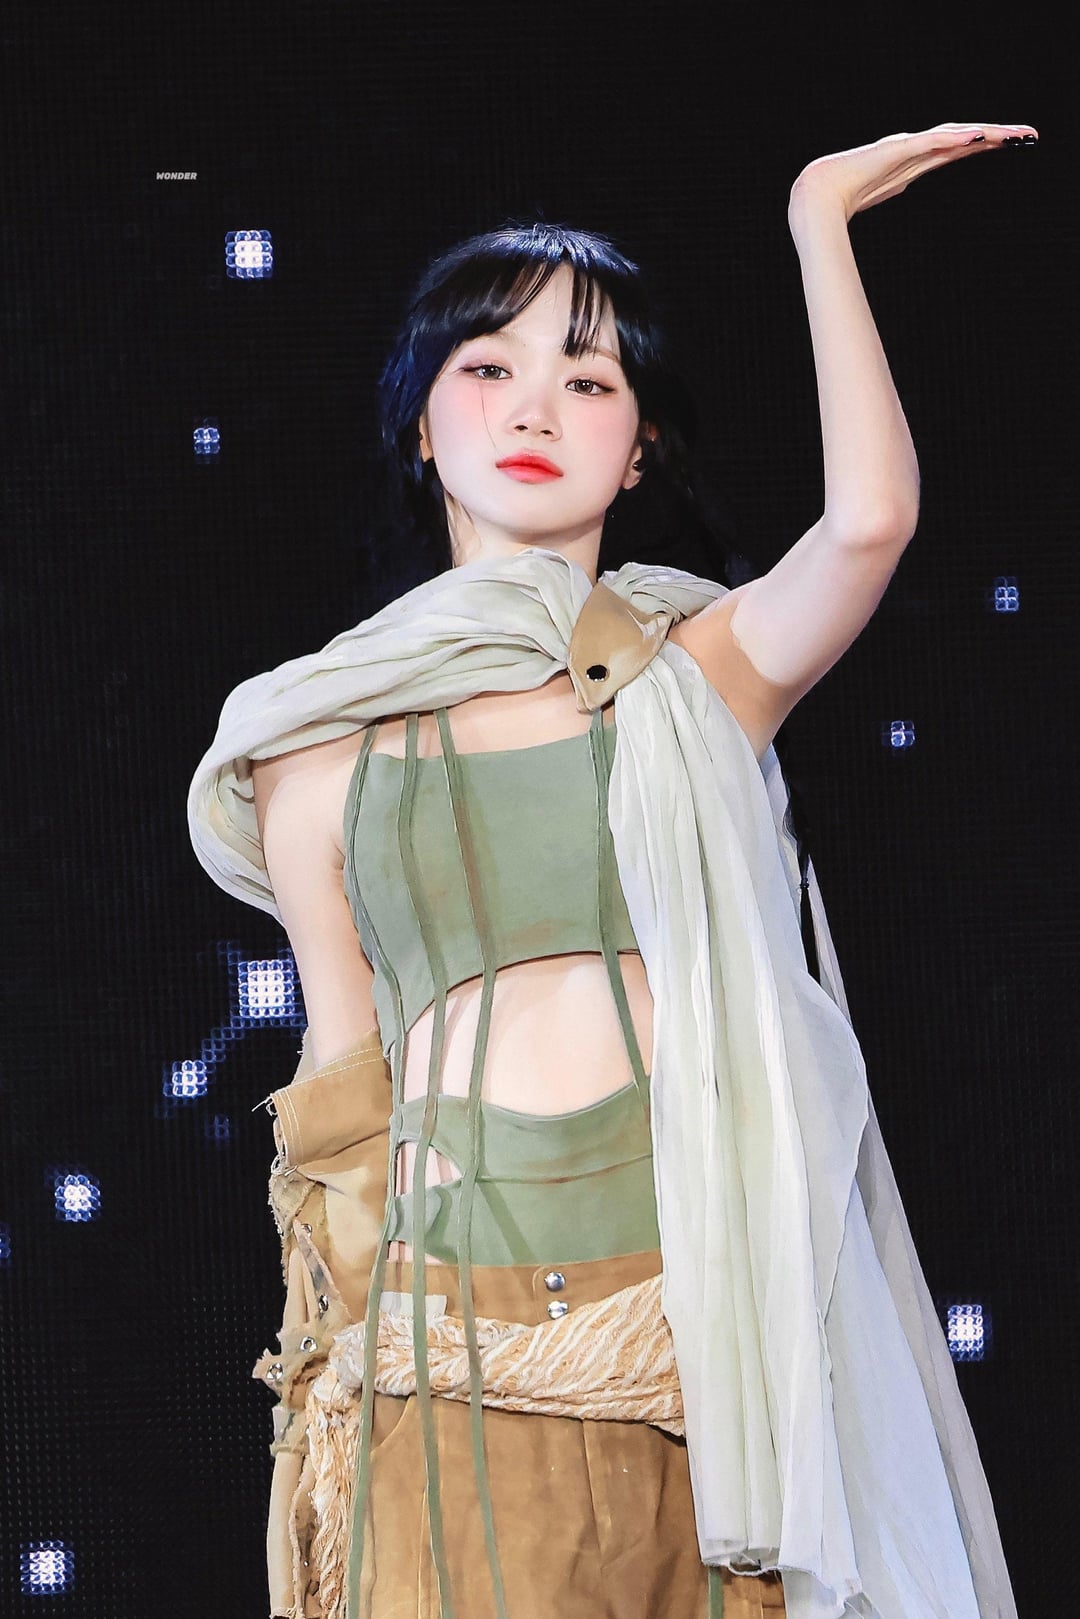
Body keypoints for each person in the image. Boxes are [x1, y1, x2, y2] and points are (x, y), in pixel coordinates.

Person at [187, 122, 1037, 1619]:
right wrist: (331, 1364)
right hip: (452, 1334)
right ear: (420, 422)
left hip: (703, 1322)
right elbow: (341, 1066)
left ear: (638, 448)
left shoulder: (691, 673)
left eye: (589, 380)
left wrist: (818, 220)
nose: (537, 406)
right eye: (489, 367)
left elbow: (872, 522)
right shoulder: (314, 738)